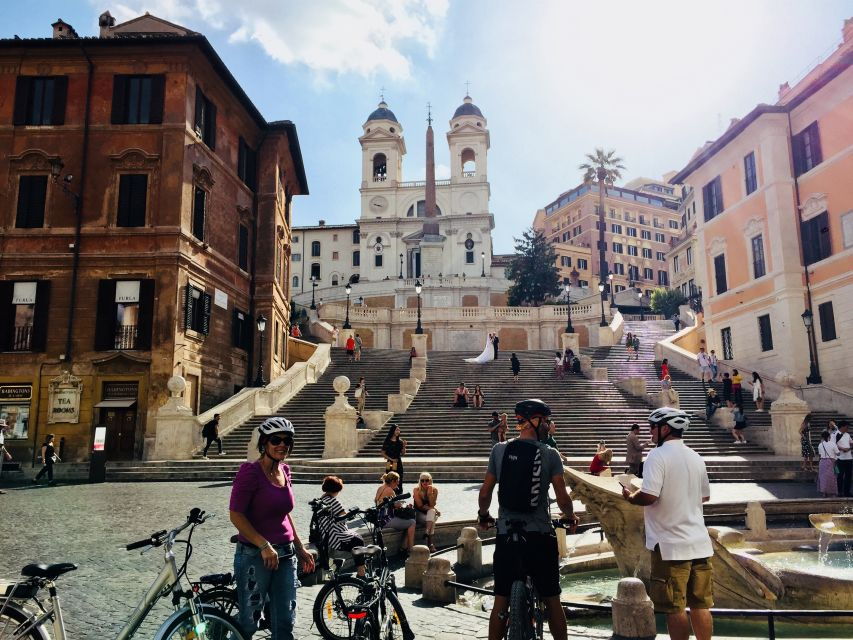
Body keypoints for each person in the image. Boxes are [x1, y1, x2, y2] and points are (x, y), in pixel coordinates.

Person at [477, 399, 578, 640]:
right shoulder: (550, 454)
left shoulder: (499, 450)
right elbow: (562, 498)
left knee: (500, 603)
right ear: (534, 420)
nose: (548, 425)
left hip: (507, 535)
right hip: (540, 536)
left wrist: (483, 515)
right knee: (553, 600)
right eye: (546, 421)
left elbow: (485, 493)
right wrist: (570, 516)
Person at [622, 408, 714, 640]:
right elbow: (704, 497)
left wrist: (631, 496)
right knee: (701, 605)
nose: (650, 432)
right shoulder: (696, 456)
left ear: (665, 429)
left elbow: (649, 496)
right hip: (700, 544)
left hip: (671, 545)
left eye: (653, 427)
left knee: (675, 607)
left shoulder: (657, 455)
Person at [229, 417, 315, 640]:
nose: (282, 445)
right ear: (264, 443)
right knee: (249, 622)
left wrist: (300, 547)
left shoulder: (285, 471)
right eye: (276, 440)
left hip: (286, 555)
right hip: (255, 555)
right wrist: (264, 545)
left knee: (285, 621)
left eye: (287, 441)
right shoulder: (250, 472)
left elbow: (284, 513)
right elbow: (236, 515)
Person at [316, 475, 367, 577]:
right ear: (336, 489)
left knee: (357, 540)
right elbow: (344, 516)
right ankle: (361, 572)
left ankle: (360, 567)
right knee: (358, 541)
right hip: (335, 536)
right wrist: (352, 514)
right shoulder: (333, 501)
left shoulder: (321, 499)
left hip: (325, 533)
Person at [375, 471, 416, 555]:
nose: (397, 485)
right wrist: (406, 506)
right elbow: (397, 505)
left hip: (379, 518)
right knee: (412, 522)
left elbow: (387, 504)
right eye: (397, 482)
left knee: (407, 523)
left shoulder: (381, 487)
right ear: (393, 481)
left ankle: (404, 547)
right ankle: (410, 550)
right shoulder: (390, 490)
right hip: (386, 520)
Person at [413, 472, 440, 552]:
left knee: (431, 515)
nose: (424, 482)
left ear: (430, 481)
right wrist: (434, 509)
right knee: (432, 516)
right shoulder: (416, 490)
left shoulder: (434, 490)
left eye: (427, 480)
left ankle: (427, 532)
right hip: (418, 513)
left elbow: (432, 504)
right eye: (422, 480)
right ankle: (430, 543)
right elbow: (420, 506)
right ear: (420, 481)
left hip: (428, 514)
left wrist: (429, 494)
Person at [381, 424, 407, 493]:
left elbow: (403, 453)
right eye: (397, 430)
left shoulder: (400, 441)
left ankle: (399, 494)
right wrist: (392, 459)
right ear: (393, 430)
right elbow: (383, 453)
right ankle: (389, 493)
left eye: (399, 430)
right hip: (390, 462)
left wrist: (404, 446)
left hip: (398, 462)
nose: (398, 431)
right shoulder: (387, 441)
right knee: (390, 478)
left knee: (399, 478)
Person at [817, 430, 840, 497]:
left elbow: (820, 455)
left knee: (823, 478)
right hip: (831, 462)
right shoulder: (833, 444)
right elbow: (838, 453)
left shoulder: (820, 445)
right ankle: (833, 493)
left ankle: (824, 493)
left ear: (822, 437)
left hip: (822, 462)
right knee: (832, 478)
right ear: (829, 436)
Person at [835, 422, 852, 497]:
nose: (848, 429)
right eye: (847, 427)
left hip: (849, 458)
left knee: (848, 476)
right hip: (840, 458)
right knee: (840, 475)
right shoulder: (835, 434)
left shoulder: (847, 434)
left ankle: (847, 492)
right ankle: (839, 491)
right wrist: (842, 449)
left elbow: (851, 442)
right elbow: (833, 445)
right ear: (842, 427)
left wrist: (850, 447)